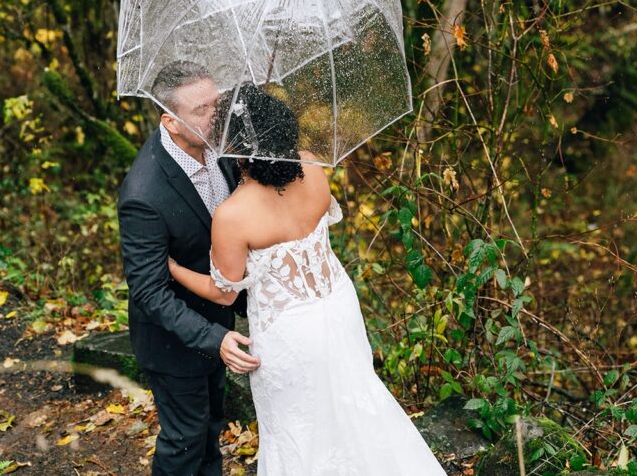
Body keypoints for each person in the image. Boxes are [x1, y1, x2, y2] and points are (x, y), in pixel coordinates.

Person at [168, 82, 446, 475]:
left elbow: (224, 293)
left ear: (234, 145)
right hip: (338, 307)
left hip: (288, 332)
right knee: (356, 406)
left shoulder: (233, 215)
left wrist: (175, 270)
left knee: (298, 431)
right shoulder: (312, 165)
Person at [118, 61, 260, 476]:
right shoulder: (144, 194)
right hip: (175, 344)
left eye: (216, 104)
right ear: (170, 121)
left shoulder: (220, 146)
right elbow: (149, 292)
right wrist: (213, 338)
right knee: (184, 444)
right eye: (202, 110)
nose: (215, 115)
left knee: (210, 431)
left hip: (220, 322)